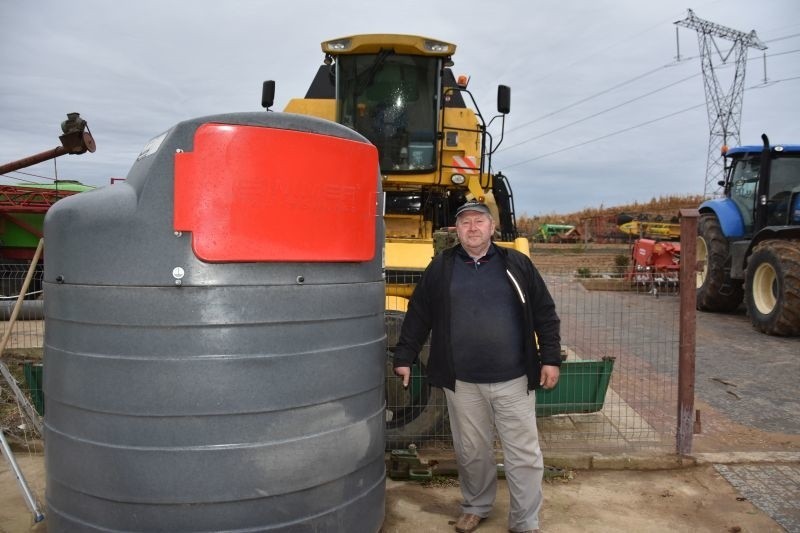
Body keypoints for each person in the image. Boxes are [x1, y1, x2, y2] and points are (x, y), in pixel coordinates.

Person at [393, 201, 562, 533]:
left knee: (524, 455)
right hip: (463, 382)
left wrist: (551, 358)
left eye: (479, 221)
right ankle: (476, 506)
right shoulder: (441, 268)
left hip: (514, 380)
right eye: (465, 222)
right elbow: (418, 315)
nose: (472, 227)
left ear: (492, 227)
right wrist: (404, 357)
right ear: (456, 230)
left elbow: (544, 313)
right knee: (472, 451)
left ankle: (525, 520)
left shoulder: (517, 264)